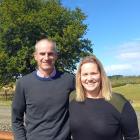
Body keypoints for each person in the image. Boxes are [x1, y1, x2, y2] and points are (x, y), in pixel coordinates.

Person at [12, 38, 75, 140]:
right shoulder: (23, 83)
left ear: (56, 56)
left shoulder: (70, 80)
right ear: (35, 56)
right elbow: (16, 119)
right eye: (42, 53)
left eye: (50, 53)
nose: (46, 57)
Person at [69, 55, 139, 140]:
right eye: (85, 74)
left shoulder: (118, 102)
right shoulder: (72, 98)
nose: (89, 78)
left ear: (101, 75)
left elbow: (132, 137)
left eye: (93, 73)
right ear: (80, 77)